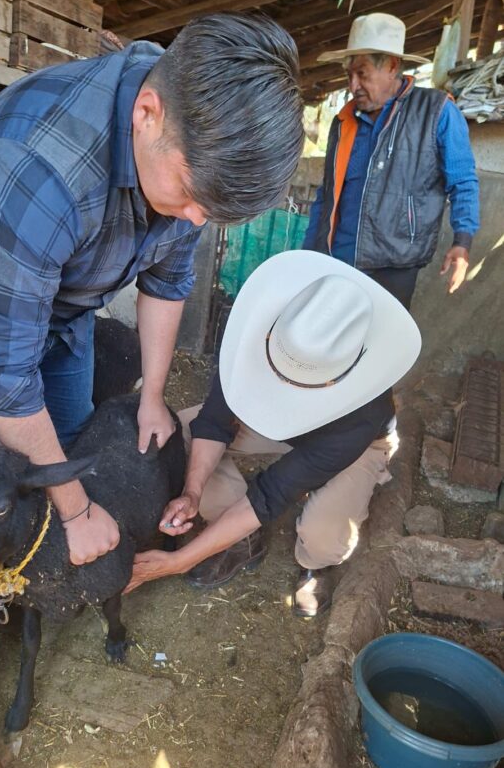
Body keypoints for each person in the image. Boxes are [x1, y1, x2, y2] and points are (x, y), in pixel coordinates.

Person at [0, 13, 304, 768]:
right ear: (145, 114)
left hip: (66, 293)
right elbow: (2, 380)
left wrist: (153, 395)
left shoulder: (188, 135)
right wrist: (74, 511)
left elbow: (166, 280)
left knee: (74, 438)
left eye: (207, 210)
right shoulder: (42, 167)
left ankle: (44, 573)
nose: (192, 219)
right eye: (188, 196)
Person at [126, 251, 421, 622]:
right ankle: (240, 537)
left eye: (294, 378)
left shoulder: (362, 414)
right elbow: (215, 420)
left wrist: (179, 561)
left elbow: (271, 493)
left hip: (354, 446)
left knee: (324, 539)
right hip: (281, 420)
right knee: (180, 432)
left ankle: (314, 566)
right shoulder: (257, 328)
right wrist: (192, 491)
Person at [302, 12, 479, 310]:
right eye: (349, 75)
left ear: (392, 66)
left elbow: (463, 182)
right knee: (329, 349)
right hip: (337, 260)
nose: (352, 84)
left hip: (394, 265)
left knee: (377, 351)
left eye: (362, 73)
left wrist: (462, 242)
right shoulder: (344, 122)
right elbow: (327, 194)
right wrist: (309, 253)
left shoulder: (436, 112)